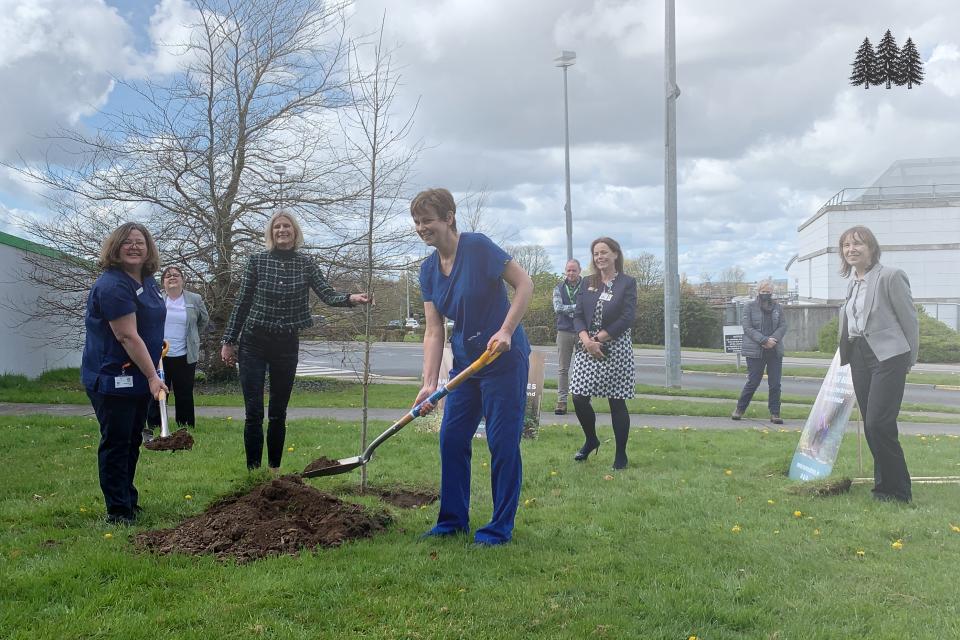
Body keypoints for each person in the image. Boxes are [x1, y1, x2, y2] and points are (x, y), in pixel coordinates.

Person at [410, 188, 533, 546]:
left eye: (427, 220)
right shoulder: (428, 270)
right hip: (465, 363)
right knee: (451, 438)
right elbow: (434, 330)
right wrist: (428, 382)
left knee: (502, 442)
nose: (421, 228)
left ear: (448, 217)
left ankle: (498, 528)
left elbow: (525, 284)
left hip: (503, 361)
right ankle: (452, 521)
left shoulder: (477, 247)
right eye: (417, 222)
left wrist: (507, 330)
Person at [220, 210, 373, 473]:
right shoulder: (256, 261)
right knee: (254, 412)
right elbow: (242, 303)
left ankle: (274, 471)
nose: (282, 230)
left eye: (287, 226)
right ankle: (254, 473)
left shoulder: (306, 264)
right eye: (277, 226)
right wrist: (228, 340)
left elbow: (326, 294)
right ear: (271, 232)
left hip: (286, 344)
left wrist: (350, 298)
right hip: (254, 342)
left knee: (278, 412)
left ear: (295, 232)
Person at [81, 222, 168, 525]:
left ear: (148, 249)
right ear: (115, 248)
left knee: (132, 439)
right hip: (112, 376)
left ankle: (127, 500)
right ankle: (118, 511)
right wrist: (152, 376)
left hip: (140, 375)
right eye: (127, 242)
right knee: (117, 441)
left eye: (140, 242)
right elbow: (127, 336)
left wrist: (154, 371)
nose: (134, 247)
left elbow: (153, 330)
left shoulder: (150, 282)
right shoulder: (113, 285)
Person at [837, 225, 918, 503]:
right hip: (859, 355)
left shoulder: (891, 276)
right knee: (877, 426)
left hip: (889, 357)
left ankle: (899, 490)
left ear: (872, 248)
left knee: (877, 423)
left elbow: (910, 320)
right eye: (846, 245)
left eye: (858, 244)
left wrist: (910, 358)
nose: (851, 250)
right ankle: (884, 488)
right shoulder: (852, 283)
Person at [569, 237, 637, 470]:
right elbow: (578, 315)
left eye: (604, 252)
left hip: (615, 348)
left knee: (616, 401)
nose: (600, 257)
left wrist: (599, 339)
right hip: (587, 346)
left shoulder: (627, 283)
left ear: (615, 254)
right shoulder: (588, 282)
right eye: (596, 253)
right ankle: (591, 439)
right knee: (578, 395)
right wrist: (587, 340)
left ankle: (621, 455)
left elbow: (627, 318)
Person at [145, 265, 209, 437]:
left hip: (185, 355)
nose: (172, 277)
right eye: (168, 276)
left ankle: (185, 426)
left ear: (182, 279)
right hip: (160, 355)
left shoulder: (194, 299)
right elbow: (148, 320)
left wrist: (192, 336)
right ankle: (155, 425)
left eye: (176, 275)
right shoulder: (157, 298)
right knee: (157, 392)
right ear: (163, 281)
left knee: (184, 393)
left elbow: (203, 320)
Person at [731, 280, 787, 424]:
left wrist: (773, 339)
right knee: (753, 382)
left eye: (768, 292)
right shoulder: (749, 307)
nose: (766, 294)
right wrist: (763, 340)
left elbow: (783, 326)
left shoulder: (778, 308)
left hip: (774, 350)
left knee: (775, 384)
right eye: (763, 292)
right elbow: (747, 328)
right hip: (755, 350)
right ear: (758, 292)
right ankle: (739, 409)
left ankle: (775, 413)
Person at [552, 259, 582, 415]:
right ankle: (561, 401)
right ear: (565, 271)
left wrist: (569, 309)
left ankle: (583, 401)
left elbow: (591, 306)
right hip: (564, 331)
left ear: (580, 271)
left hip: (583, 331)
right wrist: (579, 308)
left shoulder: (587, 287)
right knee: (563, 369)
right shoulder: (558, 288)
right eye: (568, 270)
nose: (571, 273)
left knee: (583, 368)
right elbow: (558, 308)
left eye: (574, 270)